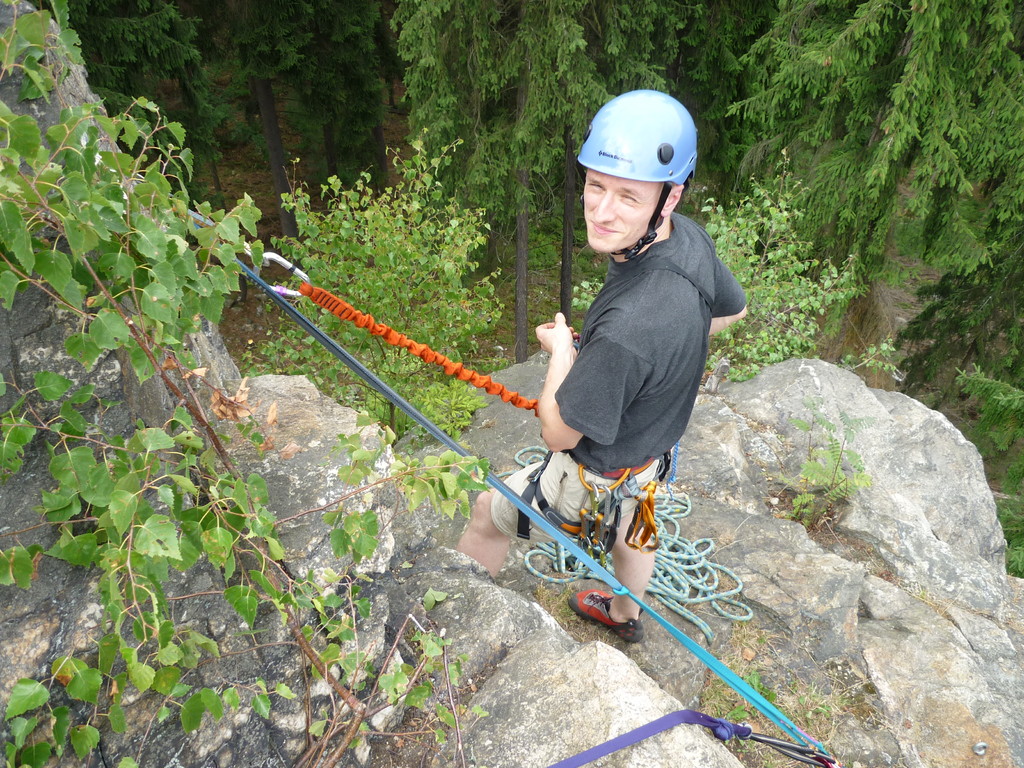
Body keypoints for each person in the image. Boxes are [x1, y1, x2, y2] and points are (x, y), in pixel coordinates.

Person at [457, 90, 747, 642]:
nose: (603, 211)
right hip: (651, 458)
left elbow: (559, 432)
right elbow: (733, 310)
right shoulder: (688, 241)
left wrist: (567, 352)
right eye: (596, 186)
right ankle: (624, 616)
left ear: (669, 197)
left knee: (484, 515)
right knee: (637, 531)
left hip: (591, 474)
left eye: (628, 197)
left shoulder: (628, 334)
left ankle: (450, 630)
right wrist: (657, 361)